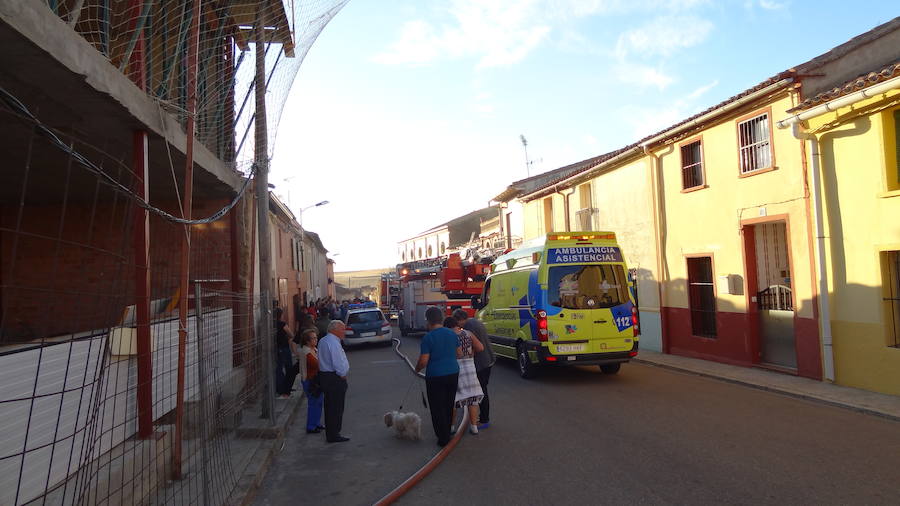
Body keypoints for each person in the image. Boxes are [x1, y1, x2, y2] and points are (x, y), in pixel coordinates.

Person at [415, 307, 461, 447]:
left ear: (428, 321)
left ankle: (443, 438)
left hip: (435, 376)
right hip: (453, 373)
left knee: (437, 407)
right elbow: (459, 353)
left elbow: (423, 361)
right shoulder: (452, 334)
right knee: (448, 404)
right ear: (441, 319)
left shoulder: (428, 337)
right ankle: (448, 431)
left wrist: (417, 369)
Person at [453, 308, 494, 430]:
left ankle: (484, 419)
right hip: (488, 359)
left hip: (481, 363)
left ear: (460, 320)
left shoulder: (468, 327)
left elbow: (476, 346)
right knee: (482, 389)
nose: (457, 325)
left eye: (456, 322)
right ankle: (481, 418)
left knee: (480, 391)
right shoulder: (475, 322)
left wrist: (469, 355)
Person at [447, 316, 484, 435]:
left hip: (455, 367)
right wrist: (472, 353)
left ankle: (451, 427)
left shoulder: (448, 336)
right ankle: (474, 427)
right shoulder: (468, 334)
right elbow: (480, 347)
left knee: (453, 398)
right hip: (470, 366)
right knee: (472, 398)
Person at [317, 320, 351, 443]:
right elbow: (338, 362)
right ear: (334, 329)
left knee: (330, 406)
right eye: (342, 329)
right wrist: (342, 374)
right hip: (334, 378)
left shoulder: (324, 340)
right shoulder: (333, 343)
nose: (344, 332)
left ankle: (332, 432)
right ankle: (334, 434)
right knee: (336, 407)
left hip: (326, 377)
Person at [297, 329, 325, 434]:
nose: (316, 339)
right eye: (313, 338)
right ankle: (311, 426)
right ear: (307, 341)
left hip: (316, 380)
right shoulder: (307, 352)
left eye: (316, 337)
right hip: (310, 381)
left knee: (318, 402)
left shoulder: (314, 349)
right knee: (313, 403)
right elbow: (317, 365)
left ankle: (316, 423)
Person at [273, 307, 297, 398]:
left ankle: (280, 388)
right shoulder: (282, 324)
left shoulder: (271, 324)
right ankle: (286, 387)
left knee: (279, 369)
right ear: (281, 315)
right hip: (284, 348)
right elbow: (291, 335)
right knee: (289, 368)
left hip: (276, 348)